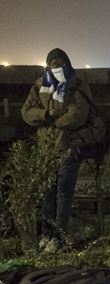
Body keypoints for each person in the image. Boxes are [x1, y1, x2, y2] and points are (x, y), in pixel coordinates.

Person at [21, 48, 93, 250]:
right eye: (52, 64)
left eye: (59, 64)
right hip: (46, 149)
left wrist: (53, 121)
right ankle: (47, 234)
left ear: (67, 65)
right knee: (47, 194)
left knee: (63, 193)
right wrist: (47, 114)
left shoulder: (77, 86)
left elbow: (77, 114)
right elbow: (26, 112)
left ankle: (59, 237)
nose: (56, 68)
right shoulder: (39, 87)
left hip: (68, 147)